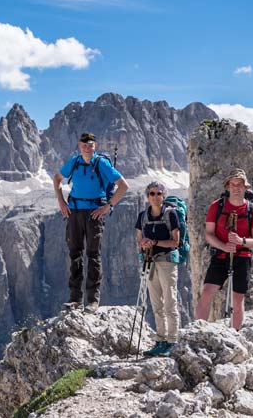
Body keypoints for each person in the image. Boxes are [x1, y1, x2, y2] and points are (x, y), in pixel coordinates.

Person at [53, 132, 129, 313]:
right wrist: (61, 202)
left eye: (90, 144)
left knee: (93, 255)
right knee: (75, 254)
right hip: (74, 211)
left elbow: (123, 185)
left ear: (95, 146)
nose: (87, 147)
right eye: (84, 144)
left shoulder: (101, 163)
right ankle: (75, 300)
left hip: (94, 214)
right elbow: (57, 179)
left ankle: (93, 301)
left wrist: (108, 206)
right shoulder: (75, 162)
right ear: (80, 145)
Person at [195, 168, 253, 330]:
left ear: (245, 187)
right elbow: (209, 235)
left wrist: (241, 241)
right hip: (220, 255)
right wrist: (224, 246)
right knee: (207, 292)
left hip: (243, 256)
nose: (236, 188)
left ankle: (235, 334)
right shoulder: (216, 207)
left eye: (240, 185)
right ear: (228, 186)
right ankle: (197, 330)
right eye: (233, 184)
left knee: (238, 299)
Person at [135, 181, 180, 356]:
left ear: (163, 196)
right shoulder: (142, 216)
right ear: (147, 196)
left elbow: (175, 242)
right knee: (156, 303)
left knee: (170, 301)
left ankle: (172, 340)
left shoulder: (171, 215)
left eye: (158, 193)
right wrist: (144, 244)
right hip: (150, 261)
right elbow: (139, 239)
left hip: (167, 261)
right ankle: (161, 340)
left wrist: (154, 243)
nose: (155, 197)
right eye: (151, 194)